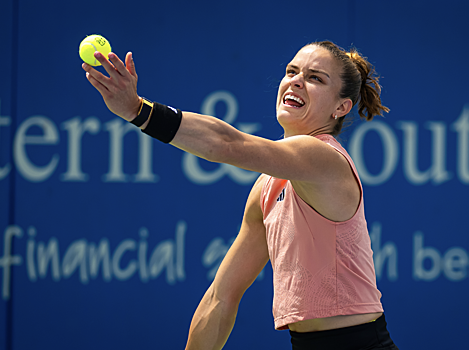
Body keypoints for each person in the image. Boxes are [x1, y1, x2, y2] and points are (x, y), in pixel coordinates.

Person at [82, 40, 398, 350]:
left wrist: (140, 111)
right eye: (291, 71)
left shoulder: (326, 158)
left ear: (341, 107)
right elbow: (221, 297)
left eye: (315, 78)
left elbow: (227, 144)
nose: (297, 81)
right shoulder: (266, 187)